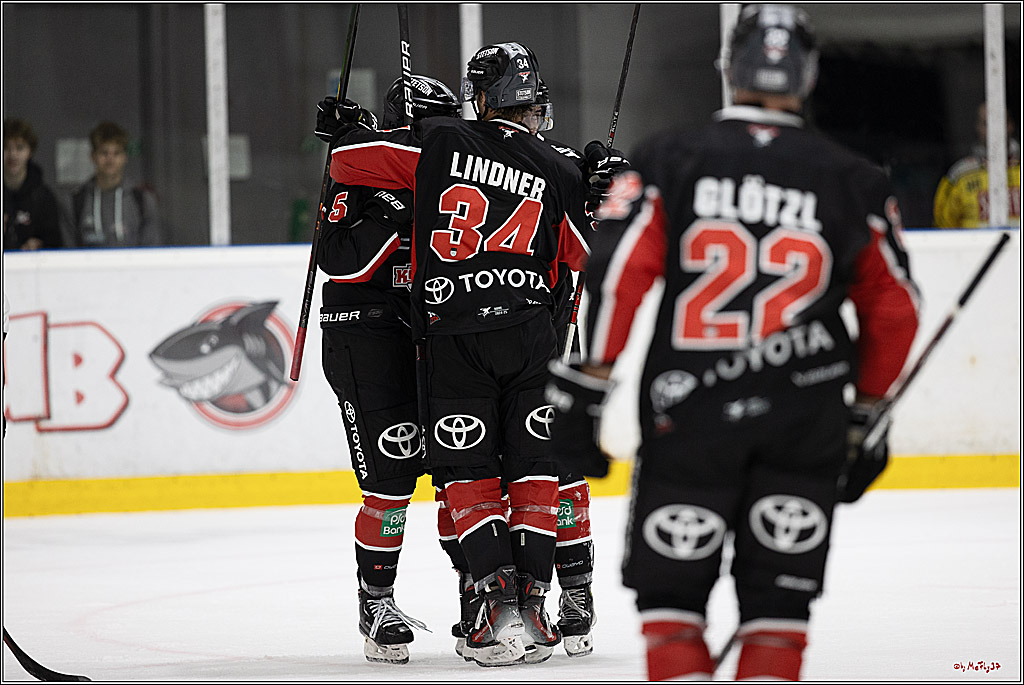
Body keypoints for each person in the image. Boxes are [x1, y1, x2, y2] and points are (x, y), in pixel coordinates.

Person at [546, 4, 921, 680]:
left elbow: (619, 270)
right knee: (778, 609)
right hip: (804, 423)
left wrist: (587, 387)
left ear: (729, 66)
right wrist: (867, 411)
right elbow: (896, 310)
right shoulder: (853, 177)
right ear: (806, 75)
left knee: (673, 604)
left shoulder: (669, 155)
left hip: (687, 417)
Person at [321, 42, 596, 667]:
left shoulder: (438, 145)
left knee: (479, 473)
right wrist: (599, 186)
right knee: (430, 477)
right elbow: (594, 254)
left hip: (451, 333)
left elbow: (348, 161)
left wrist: (350, 138)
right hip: (419, 337)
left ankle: (497, 597)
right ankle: (486, 597)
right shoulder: (551, 163)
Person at [312, 74, 461, 665]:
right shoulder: (362, 169)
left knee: (459, 466)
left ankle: (478, 595)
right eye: (434, 125)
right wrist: (401, 213)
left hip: (430, 332)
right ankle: (375, 602)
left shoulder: (445, 172)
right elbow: (339, 258)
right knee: (392, 476)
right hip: (365, 333)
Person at [64, 121, 161, 247]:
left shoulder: (142, 200)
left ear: (125, 157)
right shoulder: (75, 201)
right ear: (93, 156)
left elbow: (151, 250)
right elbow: (68, 253)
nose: (110, 159)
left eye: (116, 153)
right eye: (104, 153)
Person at [933, 102, 1021, 228]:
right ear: (978, 127)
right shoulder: (960, 175)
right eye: (986, 124)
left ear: (1010, 125)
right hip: (978, 248)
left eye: (1000, 120)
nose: (993, 129)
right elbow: (942, 227)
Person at [3, 118, 63, 251]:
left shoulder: (43, 197)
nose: (12, 155)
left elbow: (55, 243)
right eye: (6, 147)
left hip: (32, 269)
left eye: (19, 148)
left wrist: (39, 245)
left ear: (30, 151)